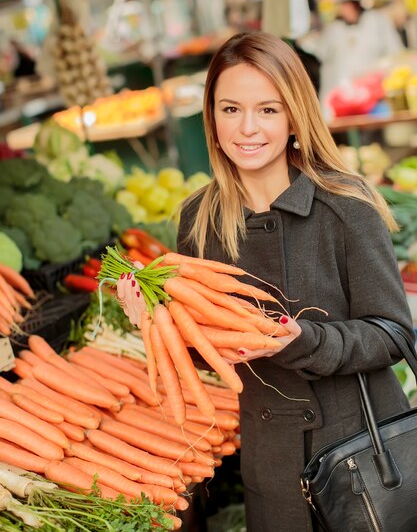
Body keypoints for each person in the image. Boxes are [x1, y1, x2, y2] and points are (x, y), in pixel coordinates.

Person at [118, 32, 414, 532]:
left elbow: (394, 333)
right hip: (272, 468)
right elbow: (206, 350)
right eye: (230, 109)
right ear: (211, 117)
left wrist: (304, 340)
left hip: (359, 456)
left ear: (295, 116)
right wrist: (154, 321)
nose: (247, 128)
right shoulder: (199, 219)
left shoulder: (344, 206)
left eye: (268, 110)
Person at [315, 0, 404, 105]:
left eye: (351, 6)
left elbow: (395, 52)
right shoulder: (333, 30)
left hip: (373, 92)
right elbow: (320, 55)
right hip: (342, 94)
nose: (347, 10)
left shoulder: (377, 22)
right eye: (344, 6)